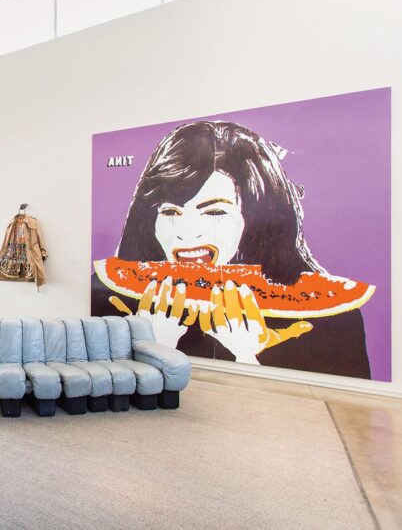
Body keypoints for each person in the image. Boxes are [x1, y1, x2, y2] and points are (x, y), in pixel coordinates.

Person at [91, 120, 371, 378]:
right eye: (170, 212)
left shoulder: (334, 322)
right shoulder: (111, 300)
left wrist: (247, 355)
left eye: (214, 212)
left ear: (255, 218)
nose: (187, 232)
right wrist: (155, 345)